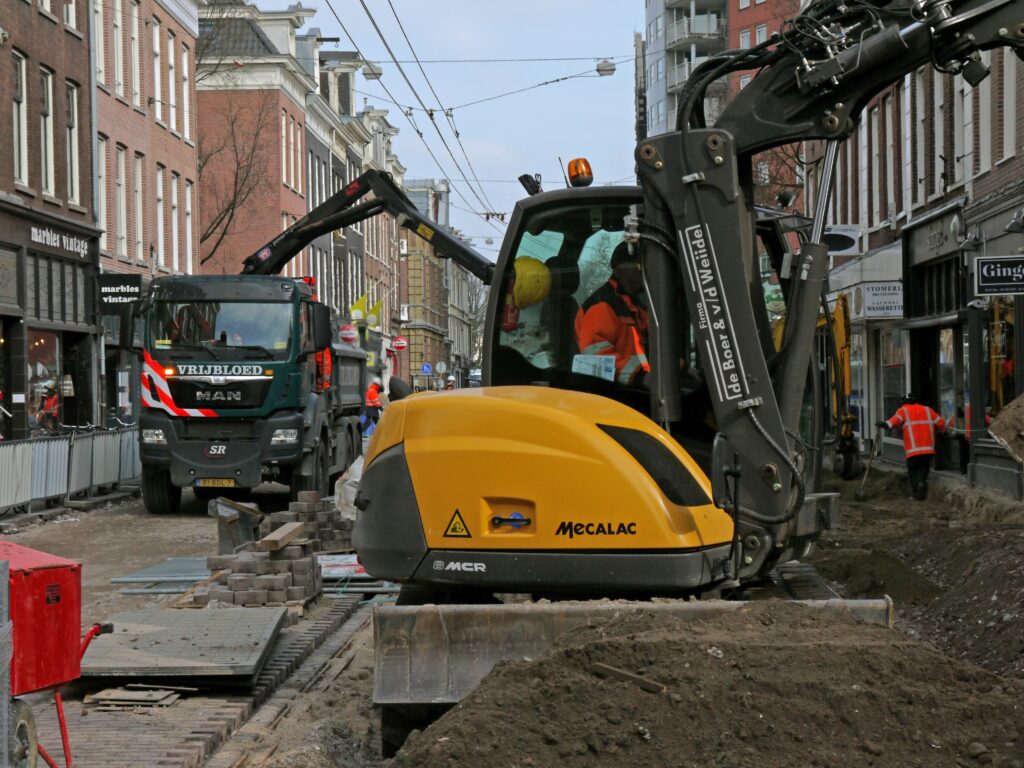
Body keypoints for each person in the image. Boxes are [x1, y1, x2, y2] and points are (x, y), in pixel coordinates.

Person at [575, 242, 650, 386]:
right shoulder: (601, 307)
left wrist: (683, 369)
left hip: (637, 387)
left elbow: (654, 347)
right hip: (616, 393)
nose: (645, 274)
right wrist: (641, 377)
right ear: (621, 270)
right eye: (641, 267)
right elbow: (596, 357)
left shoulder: (636, 306)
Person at [877, 393, 946, 500]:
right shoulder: (927, 410)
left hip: (913, 451)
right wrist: (941, 431)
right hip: (928, 449)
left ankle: (916, 492)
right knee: (924, 468)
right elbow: (941, 423)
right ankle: (922, 483)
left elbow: (891, 423)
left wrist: (882, 424)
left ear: (903, 402)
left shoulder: (903, 411)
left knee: (913, 470)